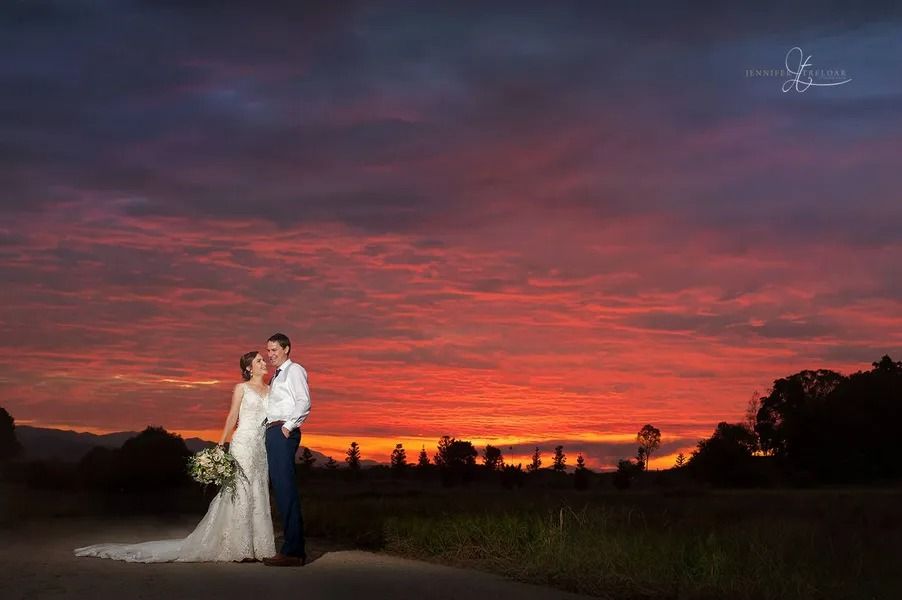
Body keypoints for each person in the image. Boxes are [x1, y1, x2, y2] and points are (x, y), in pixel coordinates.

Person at [73, 352, 276, 563]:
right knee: (240, 492)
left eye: (263, 359)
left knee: (258, 490)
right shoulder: (241, 388)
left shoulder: (271, 390)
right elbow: (233, 416)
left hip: (261, 447)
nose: (264, 363)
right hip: (242, 444)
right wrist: (221, 444)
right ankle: (240, 548)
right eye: (259, 361)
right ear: (249, 368)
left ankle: (260, 547)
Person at [262, 332, 311, 567]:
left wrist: (289, 427)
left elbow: (304, 401)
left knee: (286, 489)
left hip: (283, 431)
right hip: (273, 431)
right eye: (268, 351)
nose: (270, 355)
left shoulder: (294, 370)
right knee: (280, 490)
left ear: (287, 349)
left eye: (274, 350)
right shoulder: (276, 376)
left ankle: (293, 551)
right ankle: (291, 546)